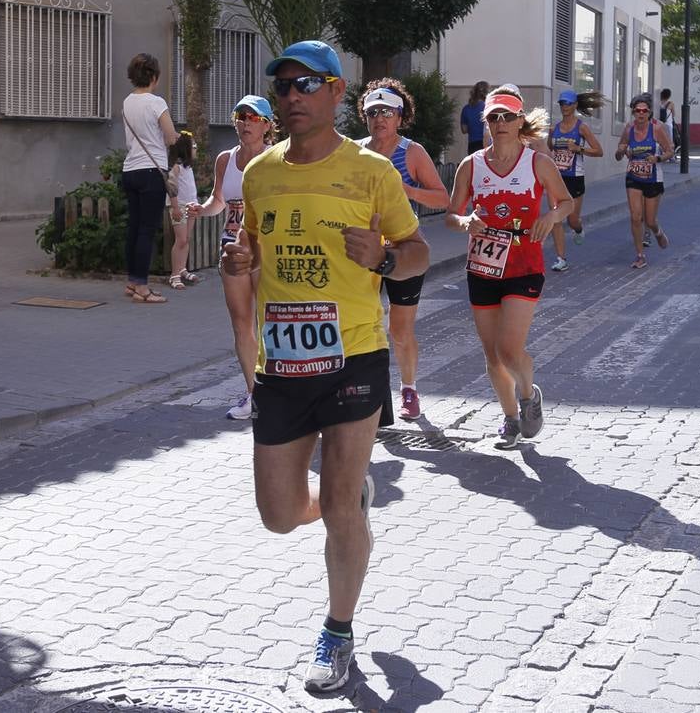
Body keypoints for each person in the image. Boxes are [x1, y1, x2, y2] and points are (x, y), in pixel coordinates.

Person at [221, 40, 429, 692]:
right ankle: (351, 501)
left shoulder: (372, 172)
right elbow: (250, 243)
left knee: (339, 503)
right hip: (282, 366)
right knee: (279, 515)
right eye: (281, 86)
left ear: (338, 93)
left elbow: (418, 250)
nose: (290, 96)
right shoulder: (261, 174)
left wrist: (385, 260)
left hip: (353, 358)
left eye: (305, 84)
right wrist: (239, 261)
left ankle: (336, 630)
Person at [445, 84, 573, 450]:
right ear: (485, 123)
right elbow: (451, 216)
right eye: (493, 117)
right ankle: (510, 419)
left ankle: (529, 394)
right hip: (483, 266)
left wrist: (551, 215)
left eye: (507, 117)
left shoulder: (538, 163)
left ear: (520, 121)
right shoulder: (472, 165)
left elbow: (566, 203)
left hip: (524, 265)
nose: (500, 123)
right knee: (492, 355)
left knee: (508, 350)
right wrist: (466, 221)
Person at [356, 80, 450, 422]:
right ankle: (363, 391)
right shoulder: (354, 152)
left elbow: (443, 198)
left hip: (401, 250)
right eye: (372, 112)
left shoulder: (411, 152)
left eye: (387, 112)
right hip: (361, 251)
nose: (379, 118)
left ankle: (408, 388)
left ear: (400, 116)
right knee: (362, 324)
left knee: (399, 328)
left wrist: (406, 189)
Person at [189, 95, 275, 420]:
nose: (245, 123)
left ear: (267, 125)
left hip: (266, 248)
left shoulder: (277, 159)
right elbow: (218, 199)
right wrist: (203, 209)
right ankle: (253, 394)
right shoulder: (226, 159)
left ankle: (277, 391)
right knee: (242, 322)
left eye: (253, 118)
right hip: (232, 246)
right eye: (240, 116)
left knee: (270, 321)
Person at [121, 53, 178, 304]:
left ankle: (132, 281)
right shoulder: (157, 103)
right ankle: (143, 287)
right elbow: (170, 137)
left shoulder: (127, 102)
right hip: (151, 171)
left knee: (134, 227)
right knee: (147, 230)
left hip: (130, 169)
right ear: (154, 77)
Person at [536, 89, 602, 271]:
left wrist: (579, 149)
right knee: (556, 217)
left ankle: (579, 229)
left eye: (568, 104)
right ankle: (561, 259)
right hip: (557, 179)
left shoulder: (581, 128)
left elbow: (599, 151)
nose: (565, 107)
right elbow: (549, 151)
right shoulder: (554, 129)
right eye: (562, 104)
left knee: (572, 220)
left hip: (575, 178)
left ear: (575, 106)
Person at [614, 93, 674, 269]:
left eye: (644, 110)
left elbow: (670, 151)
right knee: (635, 217)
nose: (641, 114)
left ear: (649, 113)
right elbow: (619, 154)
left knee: (649, 221)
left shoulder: (657, 129)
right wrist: (622, 151)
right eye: (637, 110)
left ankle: (657, 231)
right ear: (633, 112)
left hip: (653, 178)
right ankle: (640, 255)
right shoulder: (628, 129)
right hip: (633, 176)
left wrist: (658, 159)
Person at [166, 131, 202, 290]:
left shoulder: (188, 168)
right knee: (180, 239)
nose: (196, 149)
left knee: (186, 239)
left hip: (191, 205)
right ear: (185, 149)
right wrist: (174, 207)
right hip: (179, 206)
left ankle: (182, 269)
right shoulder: (176, 167)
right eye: (193, 146)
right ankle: (174, 275)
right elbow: (171, 187)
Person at [460, 81, 489, 153]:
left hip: (472, 144)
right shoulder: (488, 107)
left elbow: (464, 130)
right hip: (487, 143)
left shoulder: (466, 109)